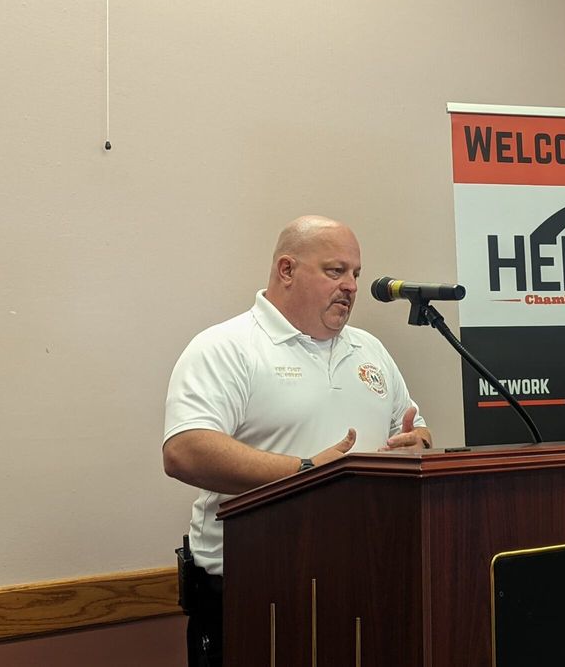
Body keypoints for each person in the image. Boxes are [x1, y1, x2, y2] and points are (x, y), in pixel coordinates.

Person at [162, 215, 431, 667]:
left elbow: (411, 430)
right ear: (286, 270)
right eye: (335, 271)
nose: (350, 286)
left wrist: (417, 443)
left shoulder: (369, 350)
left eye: (356, 274)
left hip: (363, 587)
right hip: (255, 597)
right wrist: (306, 473)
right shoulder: (228, 346)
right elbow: (184, 450)